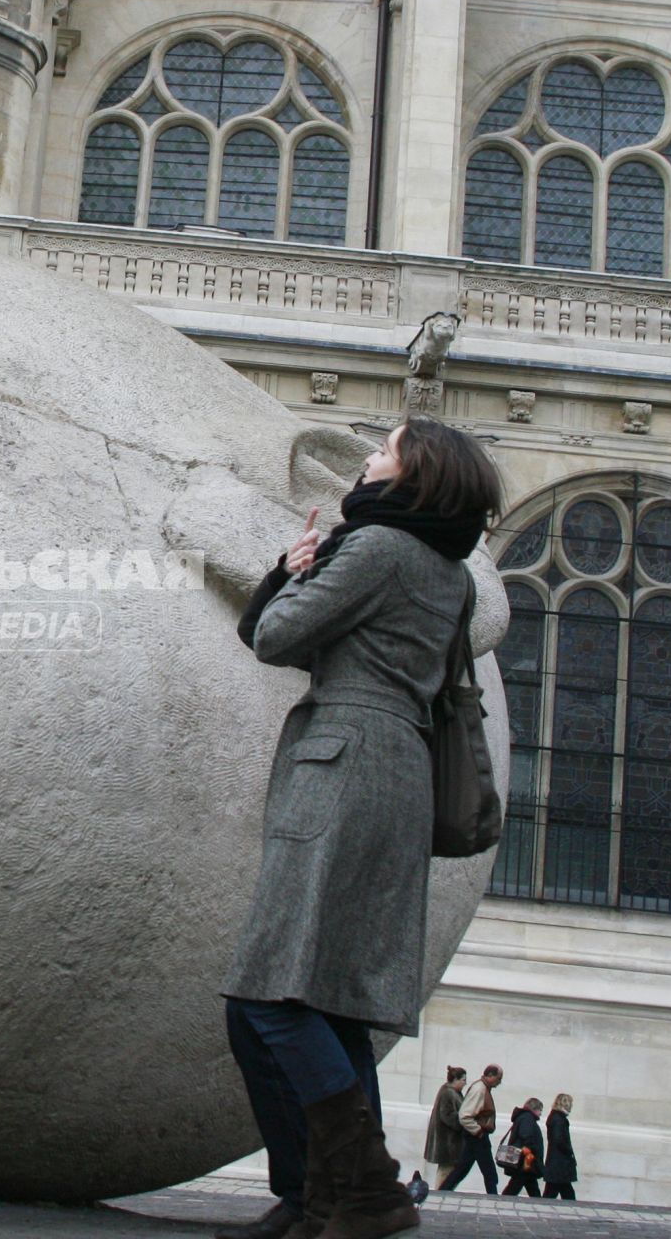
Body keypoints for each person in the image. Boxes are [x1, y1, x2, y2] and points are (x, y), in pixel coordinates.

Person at [222, 415, 503, 1239]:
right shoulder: (446, 572)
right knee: (331, 1005)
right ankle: (320, 1199)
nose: (370, 457)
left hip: (341, 764)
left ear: (415, 474)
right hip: (398, 770)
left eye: (385, 448)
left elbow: (274, 637)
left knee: (271, 996)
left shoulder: (376, 549)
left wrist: (292, 572)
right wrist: (303, 576)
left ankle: (365, 1191)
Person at [439, 1065, 503, 1193]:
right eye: (498, 1078)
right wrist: (478, 1131)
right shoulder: (480, 1090)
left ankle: (443, 1190)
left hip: (475, 1135)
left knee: (463, 1168)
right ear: (490, 1076)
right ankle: (493, 1195)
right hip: (476, 1136)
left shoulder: (482, 1088)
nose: (499, 1082)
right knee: (488, 1170)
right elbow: (465, 1116)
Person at [423, 1067, 467, 1181]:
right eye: (463, 1080)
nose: (465, 1083)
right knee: (445, 1171)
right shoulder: (448, 1093)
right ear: (455, 1080)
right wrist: (462, 1123)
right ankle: (441, 1193)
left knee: (447, 1170)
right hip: (447, 1142)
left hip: (449, 1141)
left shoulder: (451, 1092)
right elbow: (447, 1115)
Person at [500, 1098, 545, 1196]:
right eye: (540, 1110)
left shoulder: (524, 1117)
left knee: (528, 1183)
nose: (541, 1113)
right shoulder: (527, 1118)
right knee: (517, 1184)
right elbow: (526, 1135)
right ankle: (503, 1200)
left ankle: (538, 1202)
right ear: (534, 1109)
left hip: (524, 1160)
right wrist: (532, 1149)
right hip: (525, 1159)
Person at [542, 1094, 578, 1200]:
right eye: (570, 1103)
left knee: (561, 1190)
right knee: (559, 1190)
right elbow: (559, 1140)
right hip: (560, 1163)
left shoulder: (556, 1117)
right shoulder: (559, 1119)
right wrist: (569, 1151)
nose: (571, 1106)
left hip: (557, 1162)